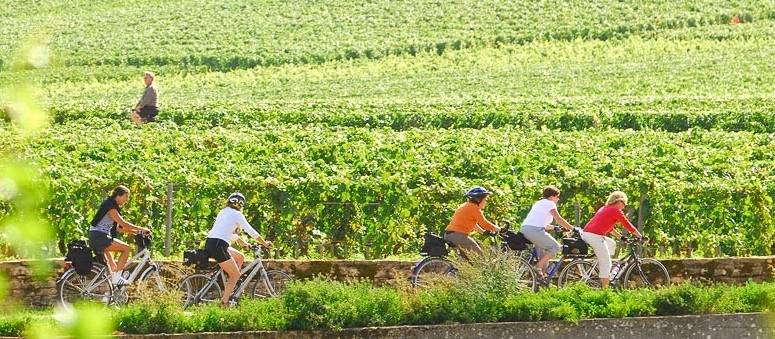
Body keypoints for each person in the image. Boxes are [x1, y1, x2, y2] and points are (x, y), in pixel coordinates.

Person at [204, 192, 272, 306]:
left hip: (213, 243)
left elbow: (227, 233)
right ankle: (224, 304)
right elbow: (250, 230)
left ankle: (231, 284)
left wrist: (245, 244)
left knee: (240, 257)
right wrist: (264, 243)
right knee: (235, 275)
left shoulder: (223, 212)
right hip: (219, 245)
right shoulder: (237, 214)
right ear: (241, 205)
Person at [88, 185, 151, 285]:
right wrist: (143, 229)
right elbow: (124, 224)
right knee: (126, 249)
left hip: (97, 236)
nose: (127, 200)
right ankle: (117, 279)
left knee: (113, 267)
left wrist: (136, 232)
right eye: (126, 196)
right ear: (119, 195)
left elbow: (118, 228)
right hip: (99, 237)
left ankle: (110, 292)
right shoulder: (111, 207)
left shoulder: (111, 205)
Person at [581, 191, 644, 289]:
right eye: (624, 204)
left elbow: (609, 228)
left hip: (587, 234)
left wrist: (620, 237)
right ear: (619, 201)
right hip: (595, 236)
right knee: (607, 263)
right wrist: (640, 236)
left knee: (611, 243)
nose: (624, 207)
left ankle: (599, 266)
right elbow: (626, 224)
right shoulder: (615, 210)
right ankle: (605, 290)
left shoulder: (605, 208)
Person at [520, 185, 574, 279]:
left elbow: (541, 223)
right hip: (534, 231)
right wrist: (572, 228)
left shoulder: (539, 203)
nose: (558, 199)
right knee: (556, 247)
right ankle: (538, 267)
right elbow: (558, 218)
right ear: (552, 196)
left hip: (526, 229)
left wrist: (555, 228)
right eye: (557, 196)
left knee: (544, 254)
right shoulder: (550, 203)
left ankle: (540, 280)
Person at [444, 186, 501, 258]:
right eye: (485, 200)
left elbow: (473, 224)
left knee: (467, 259)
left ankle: (457, 269)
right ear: (478, 199)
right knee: (480, 256)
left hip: (450, 235)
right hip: (458, 236)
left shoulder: (466, 205)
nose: (486, 202)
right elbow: (485, 224)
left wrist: (482, 232)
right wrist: (499, 229)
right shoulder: (474, 208)